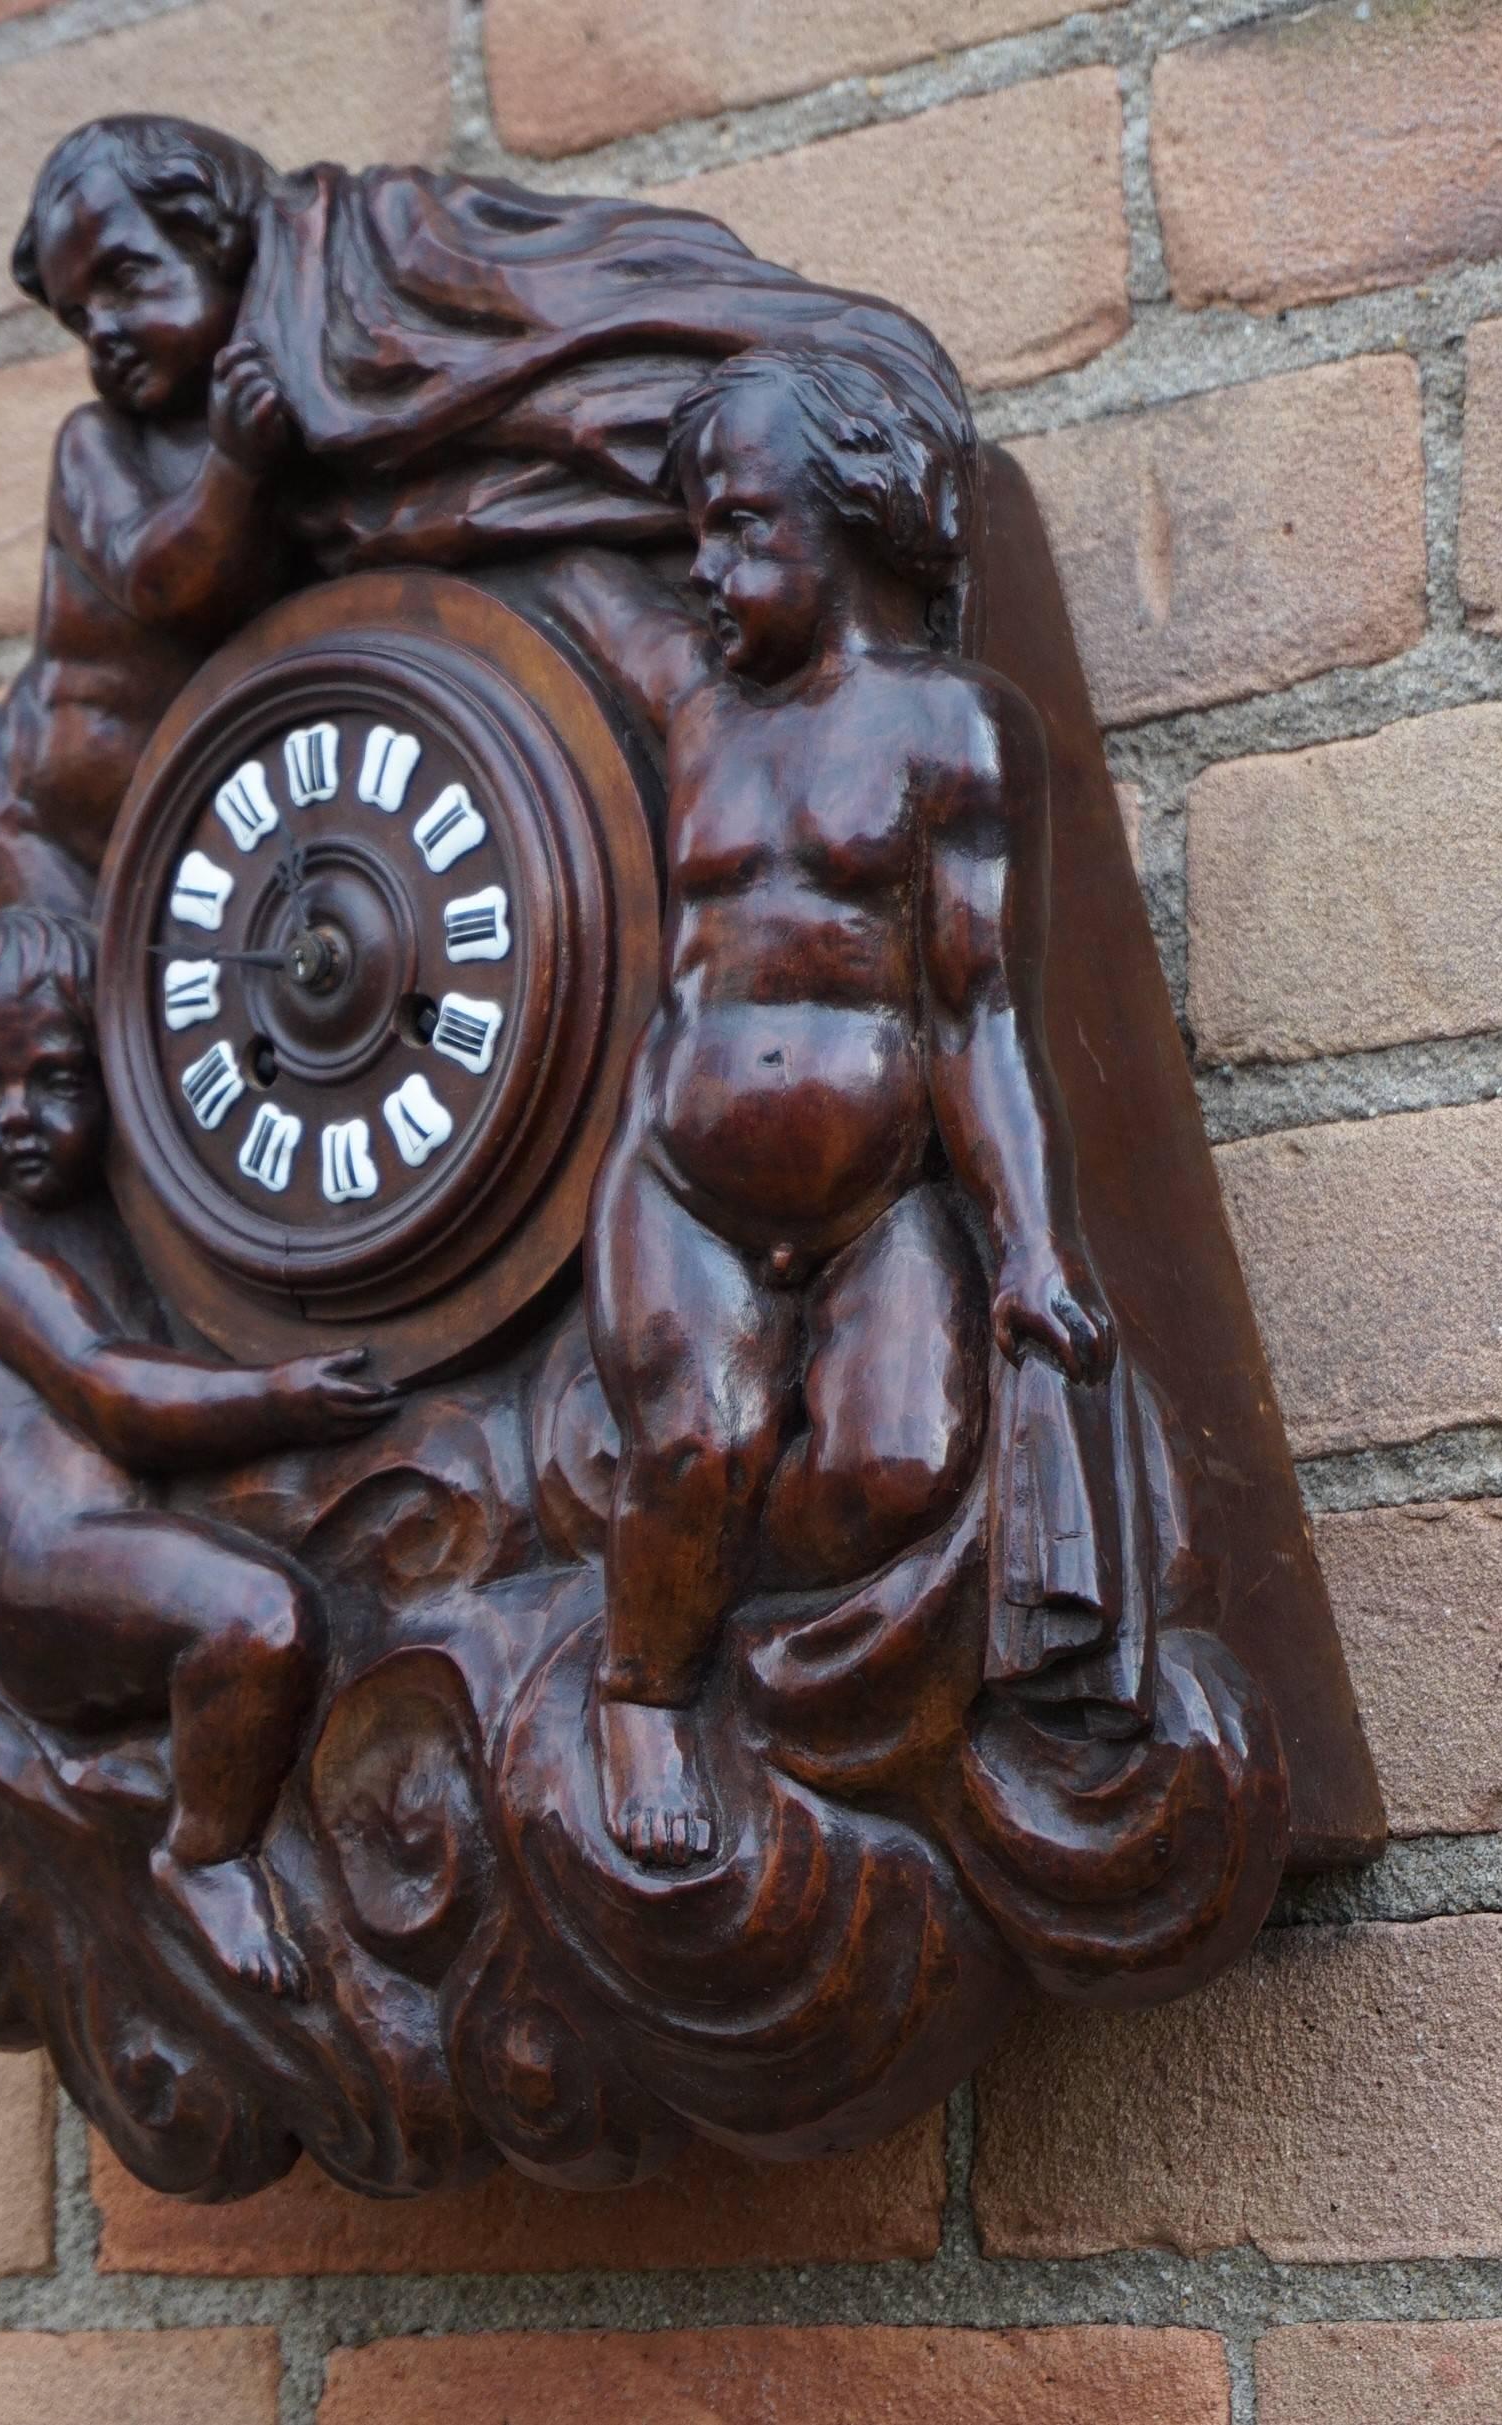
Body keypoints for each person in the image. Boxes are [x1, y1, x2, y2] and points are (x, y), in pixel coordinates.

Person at [542, 345, 1115, 1869]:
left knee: (899, 1464)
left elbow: (975, 1010)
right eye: (691, 538)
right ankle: (641, 1683)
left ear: (851, 517)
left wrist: (1030, 1246)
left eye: (737, 528)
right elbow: (567, 572)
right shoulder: (693, 717)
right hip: (685, 1188)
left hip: (874, 1202)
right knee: (704, 1435)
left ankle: (699, 1577)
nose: (704, 573)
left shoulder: (950, 733)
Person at [0, 114, 295, 1309]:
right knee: (53, 1054)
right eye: (82, 320)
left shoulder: (270, 424)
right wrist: (238, 464)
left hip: (151, 832)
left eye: (128, 280)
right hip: (24, 821)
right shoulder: (99, 449)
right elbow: (163, 581)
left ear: (226, 250)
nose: (109, 335)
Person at [0, 908, 394, 1994]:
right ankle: (204, 1849)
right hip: (42, 1570)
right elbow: (106, 1388)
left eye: (60, 1081)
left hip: (104, 1534)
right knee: (253, 1619)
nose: (19, 1119)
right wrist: (280, 1396)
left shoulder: (112, 1209)